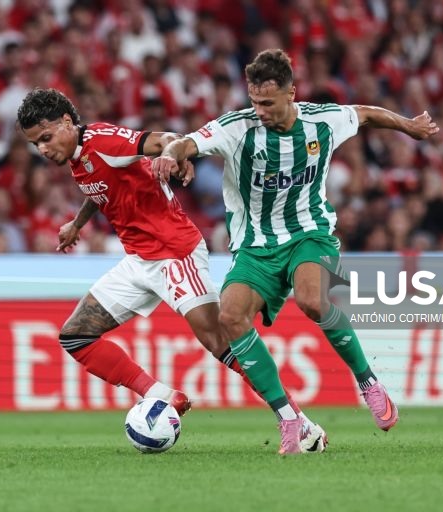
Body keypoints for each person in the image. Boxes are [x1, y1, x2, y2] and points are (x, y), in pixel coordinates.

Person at [17, 88, 326, 454]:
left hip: (175, 253)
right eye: (36, 143)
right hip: (139, 260)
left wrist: (170, 155)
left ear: (67, 123)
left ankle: (300, 423)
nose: (43, 149)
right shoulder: (78, 156)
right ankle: (160, 395)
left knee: (220, 341)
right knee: (75, 336)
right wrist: (77, 223)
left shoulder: (104, 140)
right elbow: (102, 187)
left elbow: (165, 139)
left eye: (46, 138)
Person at [153, 49, 439, 435]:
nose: (260, 111)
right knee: (231, 316)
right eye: (254, 102)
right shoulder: (236, 128)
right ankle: (288, 419)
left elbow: (367, 113)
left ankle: (369, 383)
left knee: (312, 298)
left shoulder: (323, 121)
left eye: (268, 103)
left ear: (291, 94)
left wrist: (408, 126)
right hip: (255, 244)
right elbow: (186, 142)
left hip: (309, 232)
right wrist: (171, 156)